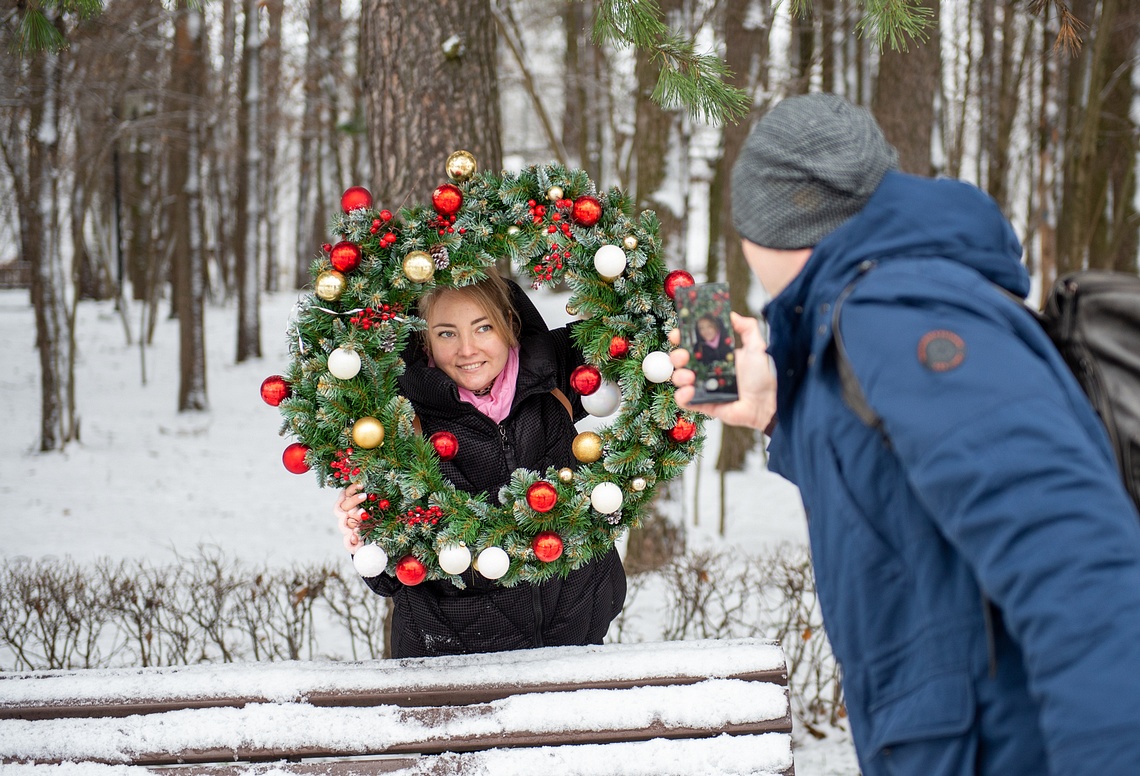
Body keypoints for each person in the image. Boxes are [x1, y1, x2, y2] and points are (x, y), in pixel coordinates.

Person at [670, 92, 1140, 775]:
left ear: (769, 225)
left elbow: (1074, 558)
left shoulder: (898, 312)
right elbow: (895, 501)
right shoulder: (871, 312)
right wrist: (779, 412)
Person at [335, 270, 626, 659]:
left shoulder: (551, 369)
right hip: (451, 667)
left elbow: (657, 323)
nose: (467, 350)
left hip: (574, 644)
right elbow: (390, 579)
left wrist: (717, 376)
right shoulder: (395, 414)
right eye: (446, 333)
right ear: (425, 341)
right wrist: (364, 540)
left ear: (510, 322)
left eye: (483, 327)